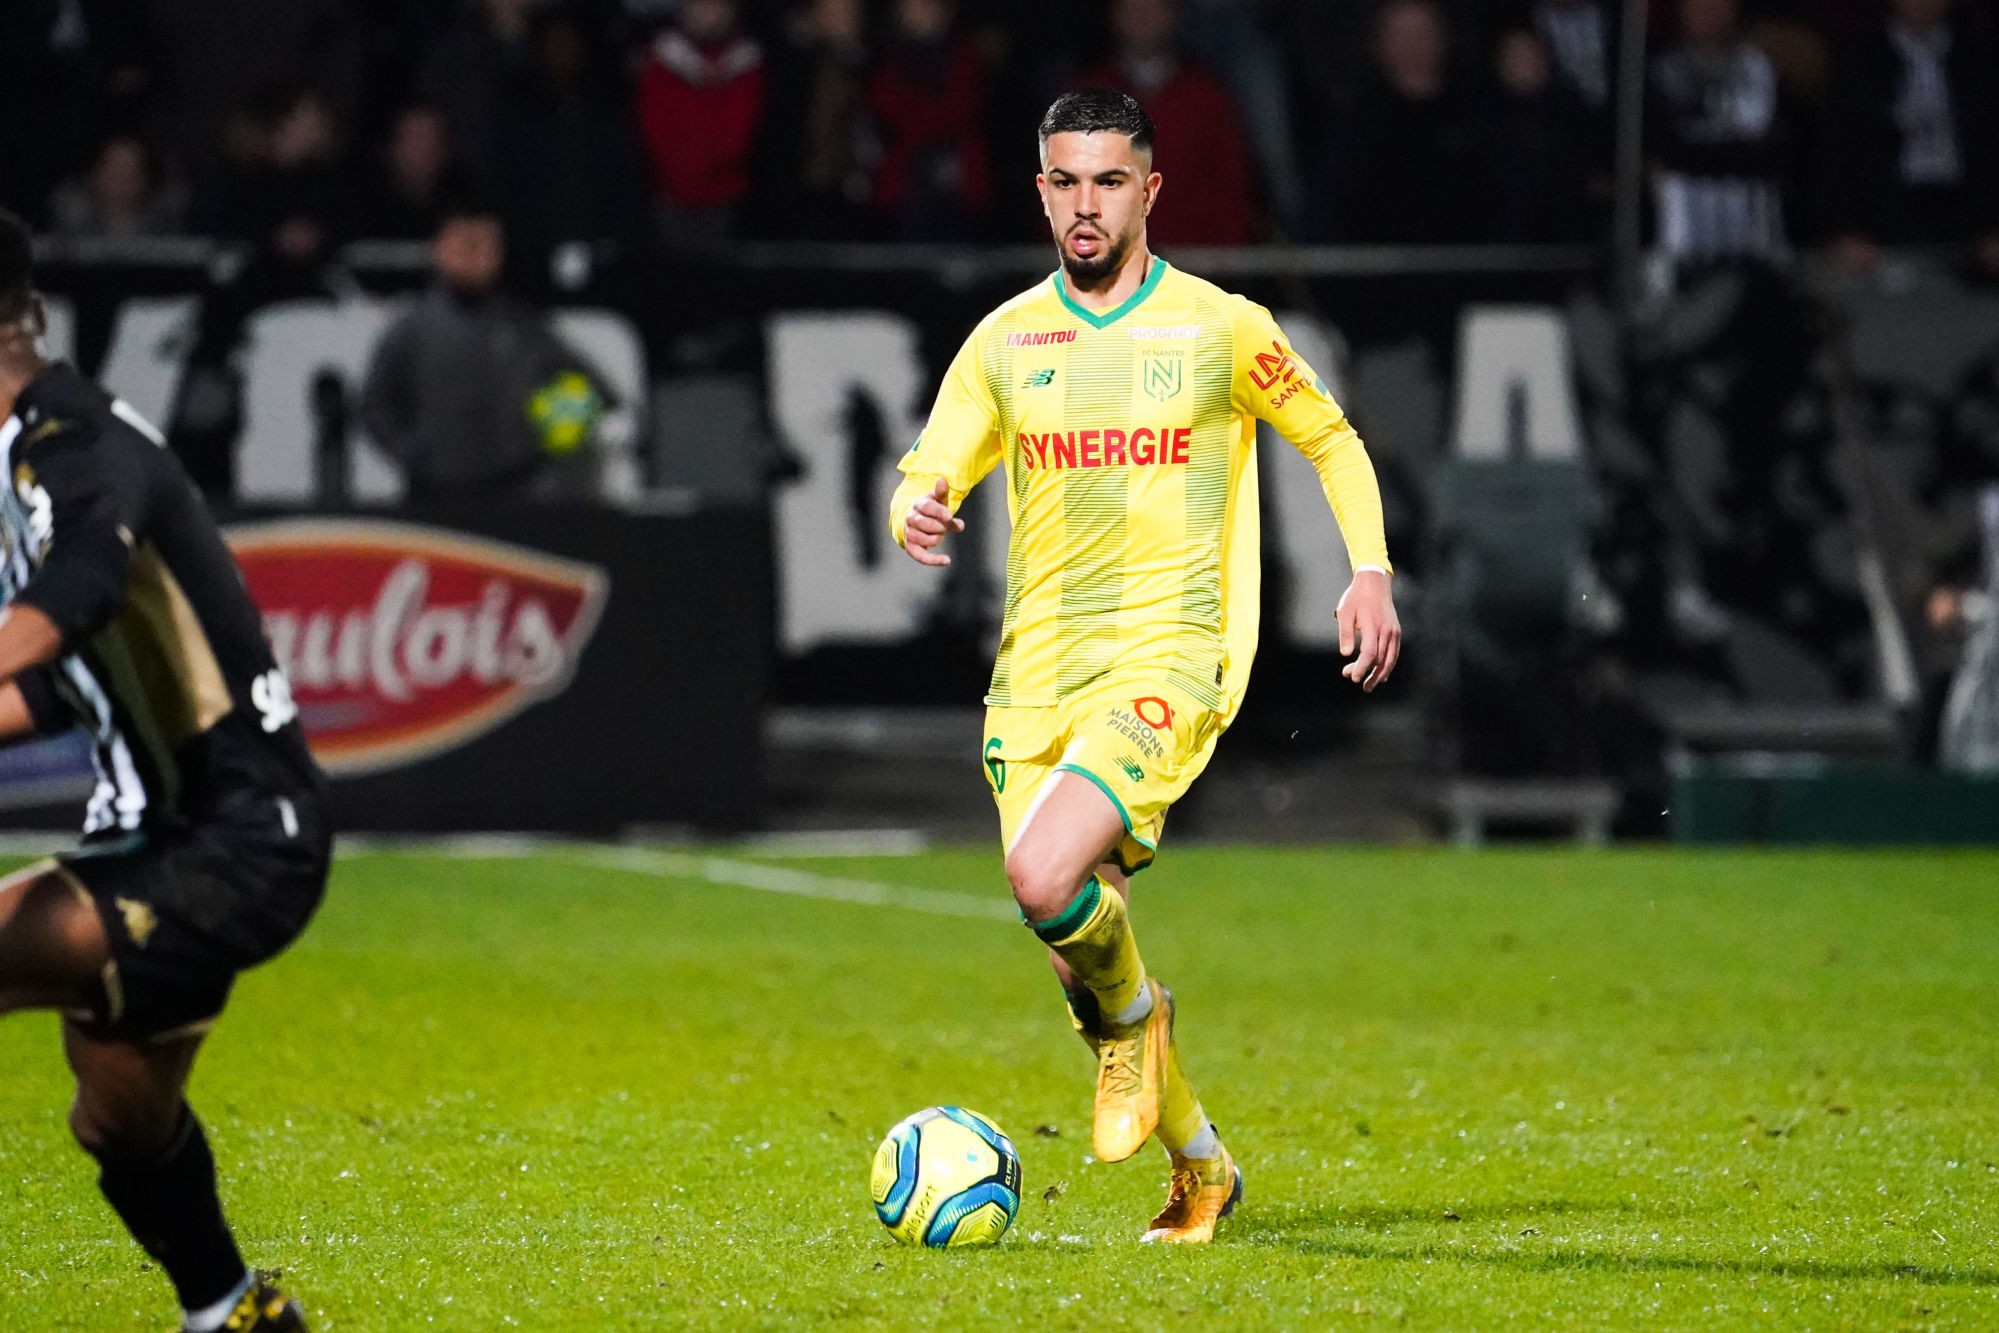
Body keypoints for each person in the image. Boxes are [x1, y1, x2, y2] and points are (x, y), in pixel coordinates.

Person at [888, 89, 1400, 1243]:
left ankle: (1133, 1031)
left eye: (1108, 181)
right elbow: (929, 469)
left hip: (1172, 653)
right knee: (1083, 956)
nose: (1085, 203)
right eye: (1064, 181)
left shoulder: (1219, 328)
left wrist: (1366, 568)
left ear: (1150, 190)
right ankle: (1202, 1162)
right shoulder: (1008, 339)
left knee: (1040, 879)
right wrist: (912, 510)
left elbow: (1329, 435)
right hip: (1035, 680)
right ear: (1039, 191)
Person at [0, 208, 329, 1332]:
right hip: (172, 837)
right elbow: (51, 680)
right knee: (120, 1122)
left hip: (231, 841)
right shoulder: (29, 447)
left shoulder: (72, 447)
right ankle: (237, 1313)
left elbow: (74, 596)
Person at [360, 201, 611, 500]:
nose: (479, 256)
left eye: (489, 246)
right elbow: (375, 406)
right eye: (468, 245)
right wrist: (413, 453)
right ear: (439, 249)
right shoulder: (411, 330)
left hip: (517, 494)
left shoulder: (522, 325)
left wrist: (541, 450)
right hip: (433, 495)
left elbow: (592, 392)